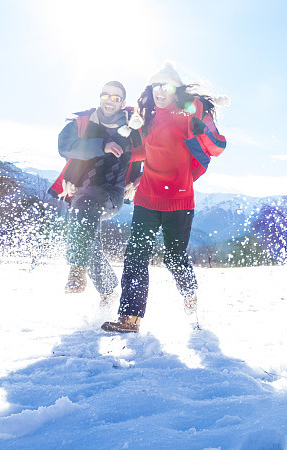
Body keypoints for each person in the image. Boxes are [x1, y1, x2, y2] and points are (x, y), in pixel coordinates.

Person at [102, 63, 228, 333]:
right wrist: (117, 150)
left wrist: (201, 126)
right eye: (155, 86)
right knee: (136, 256)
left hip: (180, 200)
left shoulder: (187, 115)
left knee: (174, 257)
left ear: (176, 90)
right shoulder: (146, 118)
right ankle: (130, 318)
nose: (160, 92)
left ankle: (190, 293)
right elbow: (141, 151)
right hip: (147, 197)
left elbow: (216, 148)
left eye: (166, 87)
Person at [49, 81, 142, 305]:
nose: (110, 101)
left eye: (116, 97)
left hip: (111, 194)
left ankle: (77, 270)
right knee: (87, 239)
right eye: (106, 96)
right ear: (100, 97)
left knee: (84, 219)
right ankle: (109, 290)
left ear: (123, 103)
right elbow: (65, 147)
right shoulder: (82, 122)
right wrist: (101, 146)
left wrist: (141, 178)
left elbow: (155, 152)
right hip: (80, 193)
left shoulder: (135, 127)